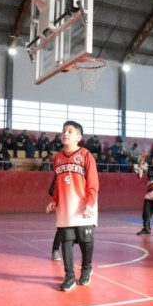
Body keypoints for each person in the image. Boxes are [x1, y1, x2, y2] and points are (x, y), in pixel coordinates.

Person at [46, 121, 99, 291]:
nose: (65, 134)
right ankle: (69, 277)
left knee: (86, 243)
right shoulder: (57, 158)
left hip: (84, 207)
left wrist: (90, 202)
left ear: (78, 137)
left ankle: (86, 269)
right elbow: (58, 183)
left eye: (70, 131)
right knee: (66, 243)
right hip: (65, 210)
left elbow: (93, 182)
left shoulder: (85, 155)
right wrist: (54, 200)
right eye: (63, 131)